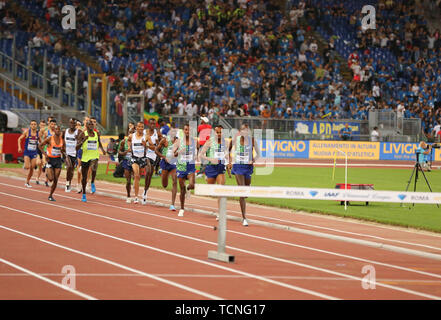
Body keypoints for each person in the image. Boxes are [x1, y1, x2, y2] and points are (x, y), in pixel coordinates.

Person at [228, 123, 260, 226]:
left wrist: (253, 160)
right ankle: (244, 218)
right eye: (243, 130)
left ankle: (247, 187)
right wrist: (229, 161)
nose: (245, 132)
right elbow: (227, 150)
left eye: (247, 130)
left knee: (245, 191)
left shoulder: (252, 140)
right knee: (242, 191)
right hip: (238, 167)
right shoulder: (235, 140)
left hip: (248, 168)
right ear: (240, 131)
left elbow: (258, 154)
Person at [199, 124, 230, 220]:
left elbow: (227, 154)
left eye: (221, 132)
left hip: (220, 168)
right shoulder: (209, 142)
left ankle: (220, 213)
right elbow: (201, 154)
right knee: (211, 191)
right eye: (217, 132)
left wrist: (228, 162)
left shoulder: (226, 142)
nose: (219, 134)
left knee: (220, 190)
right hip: (211, 167)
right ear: (214, 132)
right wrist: (210, 158)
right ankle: (207, 178)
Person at [76, 120, 107, 202]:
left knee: (94, 168)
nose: (91, 126)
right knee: (84, 177)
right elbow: (76, 147)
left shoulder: (96, 134)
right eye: (89, 125)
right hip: (85, 157)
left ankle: (92, 182)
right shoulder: (83, 134)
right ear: (86, 126)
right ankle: (84, 194)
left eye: (92, 124)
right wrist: (83, 141)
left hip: (94, 155)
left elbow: (99, 142)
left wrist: (103, 150)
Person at [173, 123, 198, 217]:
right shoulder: (179, 141)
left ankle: (189, 188)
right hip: (181, 167)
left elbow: (197, 152)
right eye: (186, 130)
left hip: (190, 166)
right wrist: (179, 151)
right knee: (182, 189)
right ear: (184, 131)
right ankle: (182, 209)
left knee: (192, 185)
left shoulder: (195, 141)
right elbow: (174, 154)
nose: (187, 132)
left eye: (189, 130)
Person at [39, 124, 65, 201]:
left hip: (58, 160)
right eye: (56, 129)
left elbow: (64, 150)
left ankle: (50, 195)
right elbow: (40, 146)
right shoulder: (50, 138)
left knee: (56, 179)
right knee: (50, 179)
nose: (58, 131)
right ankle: (46, 169)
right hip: (50, 160)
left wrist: (64, 153)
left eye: (59, 130)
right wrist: (45, 154)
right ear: (54, 130)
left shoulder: (62, 140)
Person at [155, 125, 178, 211]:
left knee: (175, 180)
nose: (173, 133)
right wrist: (163, 157)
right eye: (172, 132)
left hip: (174, 163)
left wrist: (177, 154)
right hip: (165, 163)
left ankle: (172, 204)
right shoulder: (164, 140)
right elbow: (156, 150)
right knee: (165, 185)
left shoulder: (178, 141)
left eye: (174, 132)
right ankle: (162, 172)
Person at [142, 118, 162, 205]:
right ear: (148, 124)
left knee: (150, 175)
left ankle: (145, 191)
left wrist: (155, 146)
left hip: (153, 156)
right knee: (148, 171)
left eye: (154, 124)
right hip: (146, 156)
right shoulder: (144, 132)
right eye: (151, 124)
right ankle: (144, 191)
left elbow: (157, 146)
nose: (153, 125)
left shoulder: (157, 134)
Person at [127, 121, 148, 204]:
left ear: (143, 128)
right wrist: (130, 147)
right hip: (134, 158)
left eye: (142, 127)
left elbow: (154, 147)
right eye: (139, 126)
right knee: (137, 175)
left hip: (142, 158)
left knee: (147, 175)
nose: (140, 128)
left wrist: (145, 145)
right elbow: (128, 140)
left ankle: (142, 191)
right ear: (136, 127)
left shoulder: (146, 137)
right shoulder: (131, 136)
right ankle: (136, 197)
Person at [18, 120, 40, 187]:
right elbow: (19, 139)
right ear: (30, 125)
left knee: (32, 168)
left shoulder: (38, 133)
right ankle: (25, 164)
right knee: (27, 167)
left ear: (36, 125)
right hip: (27, 152)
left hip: (34, 152)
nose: (33, 125)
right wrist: (19, 147)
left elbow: (41, 142)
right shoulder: (27, 132)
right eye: (32, 124)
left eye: (35, 124)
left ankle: (27, 181)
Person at [63, 118, 82, 192]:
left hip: (74, 154)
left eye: (74, 123)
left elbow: (84, 139)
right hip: (67, 153)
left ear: (76, 125)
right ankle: (67, 183)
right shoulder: (65, 131)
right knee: (69, 167)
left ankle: (69, 181)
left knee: (71, 170)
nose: (72, 125)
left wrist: (79, 140)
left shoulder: (79, 132)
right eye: (71, 123)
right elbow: (61, 139)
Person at [119, 126, 134, 203]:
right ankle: (128, 195)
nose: (131, 134)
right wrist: (125, 152)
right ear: (128, 133)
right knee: (128, 180)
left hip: (135, 161)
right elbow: (119, 152)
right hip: (126, 161)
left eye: (133, 132)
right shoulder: (123, 141)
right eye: (130, 132)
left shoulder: (138, 141)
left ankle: (136, 195)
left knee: (136, 178)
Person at [40, 117, 57, 187]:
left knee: (51, 167)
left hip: (53, 151)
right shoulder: (46, 132)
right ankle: (44, 166)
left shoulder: (56, 132)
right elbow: (42, 140)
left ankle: (46, 180)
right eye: (52, 124)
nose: (53, 125)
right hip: (46, 150)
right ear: (49, 124)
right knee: (46, 163)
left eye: (54, 124)